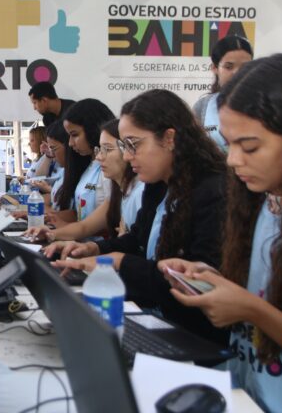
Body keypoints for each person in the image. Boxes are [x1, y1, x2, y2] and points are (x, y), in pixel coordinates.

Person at [159, 54, 282, 411]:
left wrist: (253, 311)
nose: (233, 160)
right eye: (229, 143)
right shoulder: (267, 202)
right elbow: (273, 300)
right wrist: (218, 284)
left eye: (249, 147)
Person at [47, 89, 228, 345]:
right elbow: (137, 239)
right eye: (124, 146)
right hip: (160, 319)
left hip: (194, 336)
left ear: (169, 138)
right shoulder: (159, 184)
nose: (128, 155)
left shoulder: (213, 192)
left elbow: (195, 283)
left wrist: (119, 262)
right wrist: (92, 247)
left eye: (133, 145)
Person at [27, 118, 143, 243]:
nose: (99, 157)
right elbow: (84, 226)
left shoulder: (139, 192)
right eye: (100, 150)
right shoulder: (118, 192)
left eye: (107, 149)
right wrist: (51, 234)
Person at [54, 98, 115, 225]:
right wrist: (47, 217)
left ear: (92, 128)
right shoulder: (89, 166)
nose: (70, 143)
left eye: (75, 135)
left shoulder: (109, 169)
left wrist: (63, 230)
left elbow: (111, 221)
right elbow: (81, 214)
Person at [192, 35, 253, 149]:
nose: (237, 73)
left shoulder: (264, 105)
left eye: (245, 67)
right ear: (214, 68)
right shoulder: (202, 108)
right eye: (229, 67)